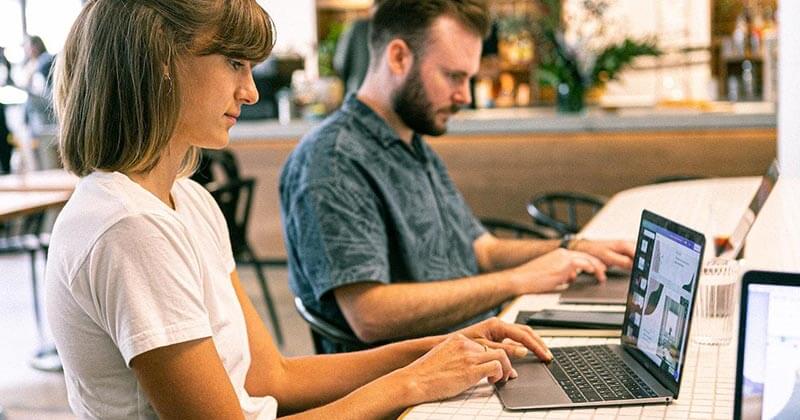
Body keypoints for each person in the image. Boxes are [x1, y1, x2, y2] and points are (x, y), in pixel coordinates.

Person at [45, 1, 552, 418]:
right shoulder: (128, 226)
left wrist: (441, 346)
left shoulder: (189, 201)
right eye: (234, 64)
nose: (251, 90)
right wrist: (411, 382)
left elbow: (272, 379)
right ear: (160, 59)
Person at [280, 0, 635, 353]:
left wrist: (571, 248)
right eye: (453, 76)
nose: (464, 96)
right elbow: (369, 314)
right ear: (399, 57)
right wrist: (517, 280)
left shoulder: (412, 145)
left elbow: (482, 250)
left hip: (474, 347)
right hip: (410, 386)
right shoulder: (333, 160)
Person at [332, 1, 383, 95]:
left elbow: (340, 62)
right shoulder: (398, 31)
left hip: (357, 93)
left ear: (373, 9)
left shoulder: (358, 27)